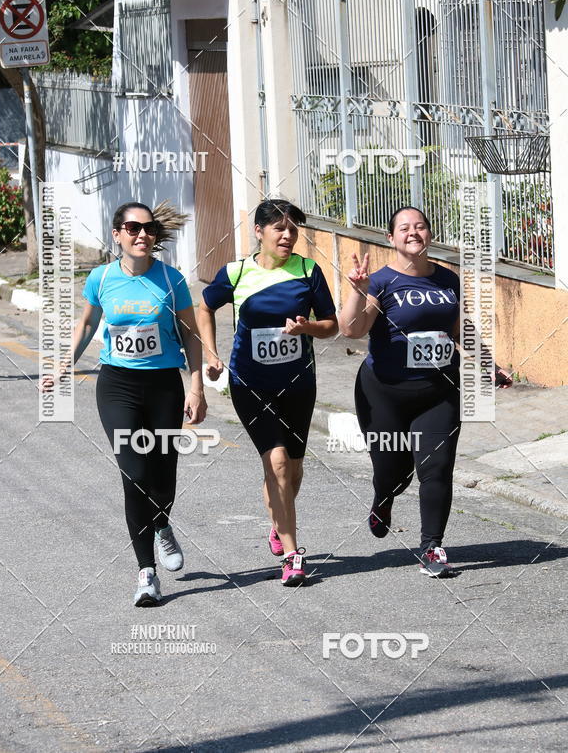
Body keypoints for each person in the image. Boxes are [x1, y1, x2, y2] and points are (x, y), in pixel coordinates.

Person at [43, 201, 206, 605]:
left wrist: (196, 387)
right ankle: (146, 573)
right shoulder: (100, 278)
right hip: (117, 385)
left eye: (148, 229)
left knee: (163, 473)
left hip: (164, 385)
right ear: (117, 234)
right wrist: (65, 366)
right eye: (132, 228)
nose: (141, 235)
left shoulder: (171, 280)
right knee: (134, 474)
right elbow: (86, 324)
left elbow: (190, 335)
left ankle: (162, 525)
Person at [339, 206, 512, 577]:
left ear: (429, 234)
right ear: (391, 238)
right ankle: (383, 499)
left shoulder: (448, 281)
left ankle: (431, 547)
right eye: (404, 228)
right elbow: (352, 330)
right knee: (394, 472)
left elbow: (459, 328)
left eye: (420, 226)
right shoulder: (381, 282)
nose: (413, 232)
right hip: (384, 393)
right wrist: (357, 291)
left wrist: (489, 365)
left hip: (439, 390)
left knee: (436, 469)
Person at [197, 200, 337, 586]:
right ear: (258, 231)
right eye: (279, 229)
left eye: (293, 230)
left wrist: (307, 329)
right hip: (250, 385)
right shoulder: (237, 272)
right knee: (275, 463)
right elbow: (204, 307)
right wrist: (211, 353)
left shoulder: (308, 271)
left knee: (292, 469)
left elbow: (332, 326)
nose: (288, 236)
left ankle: (278, 524)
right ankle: (292, 555)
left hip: (298, 384)